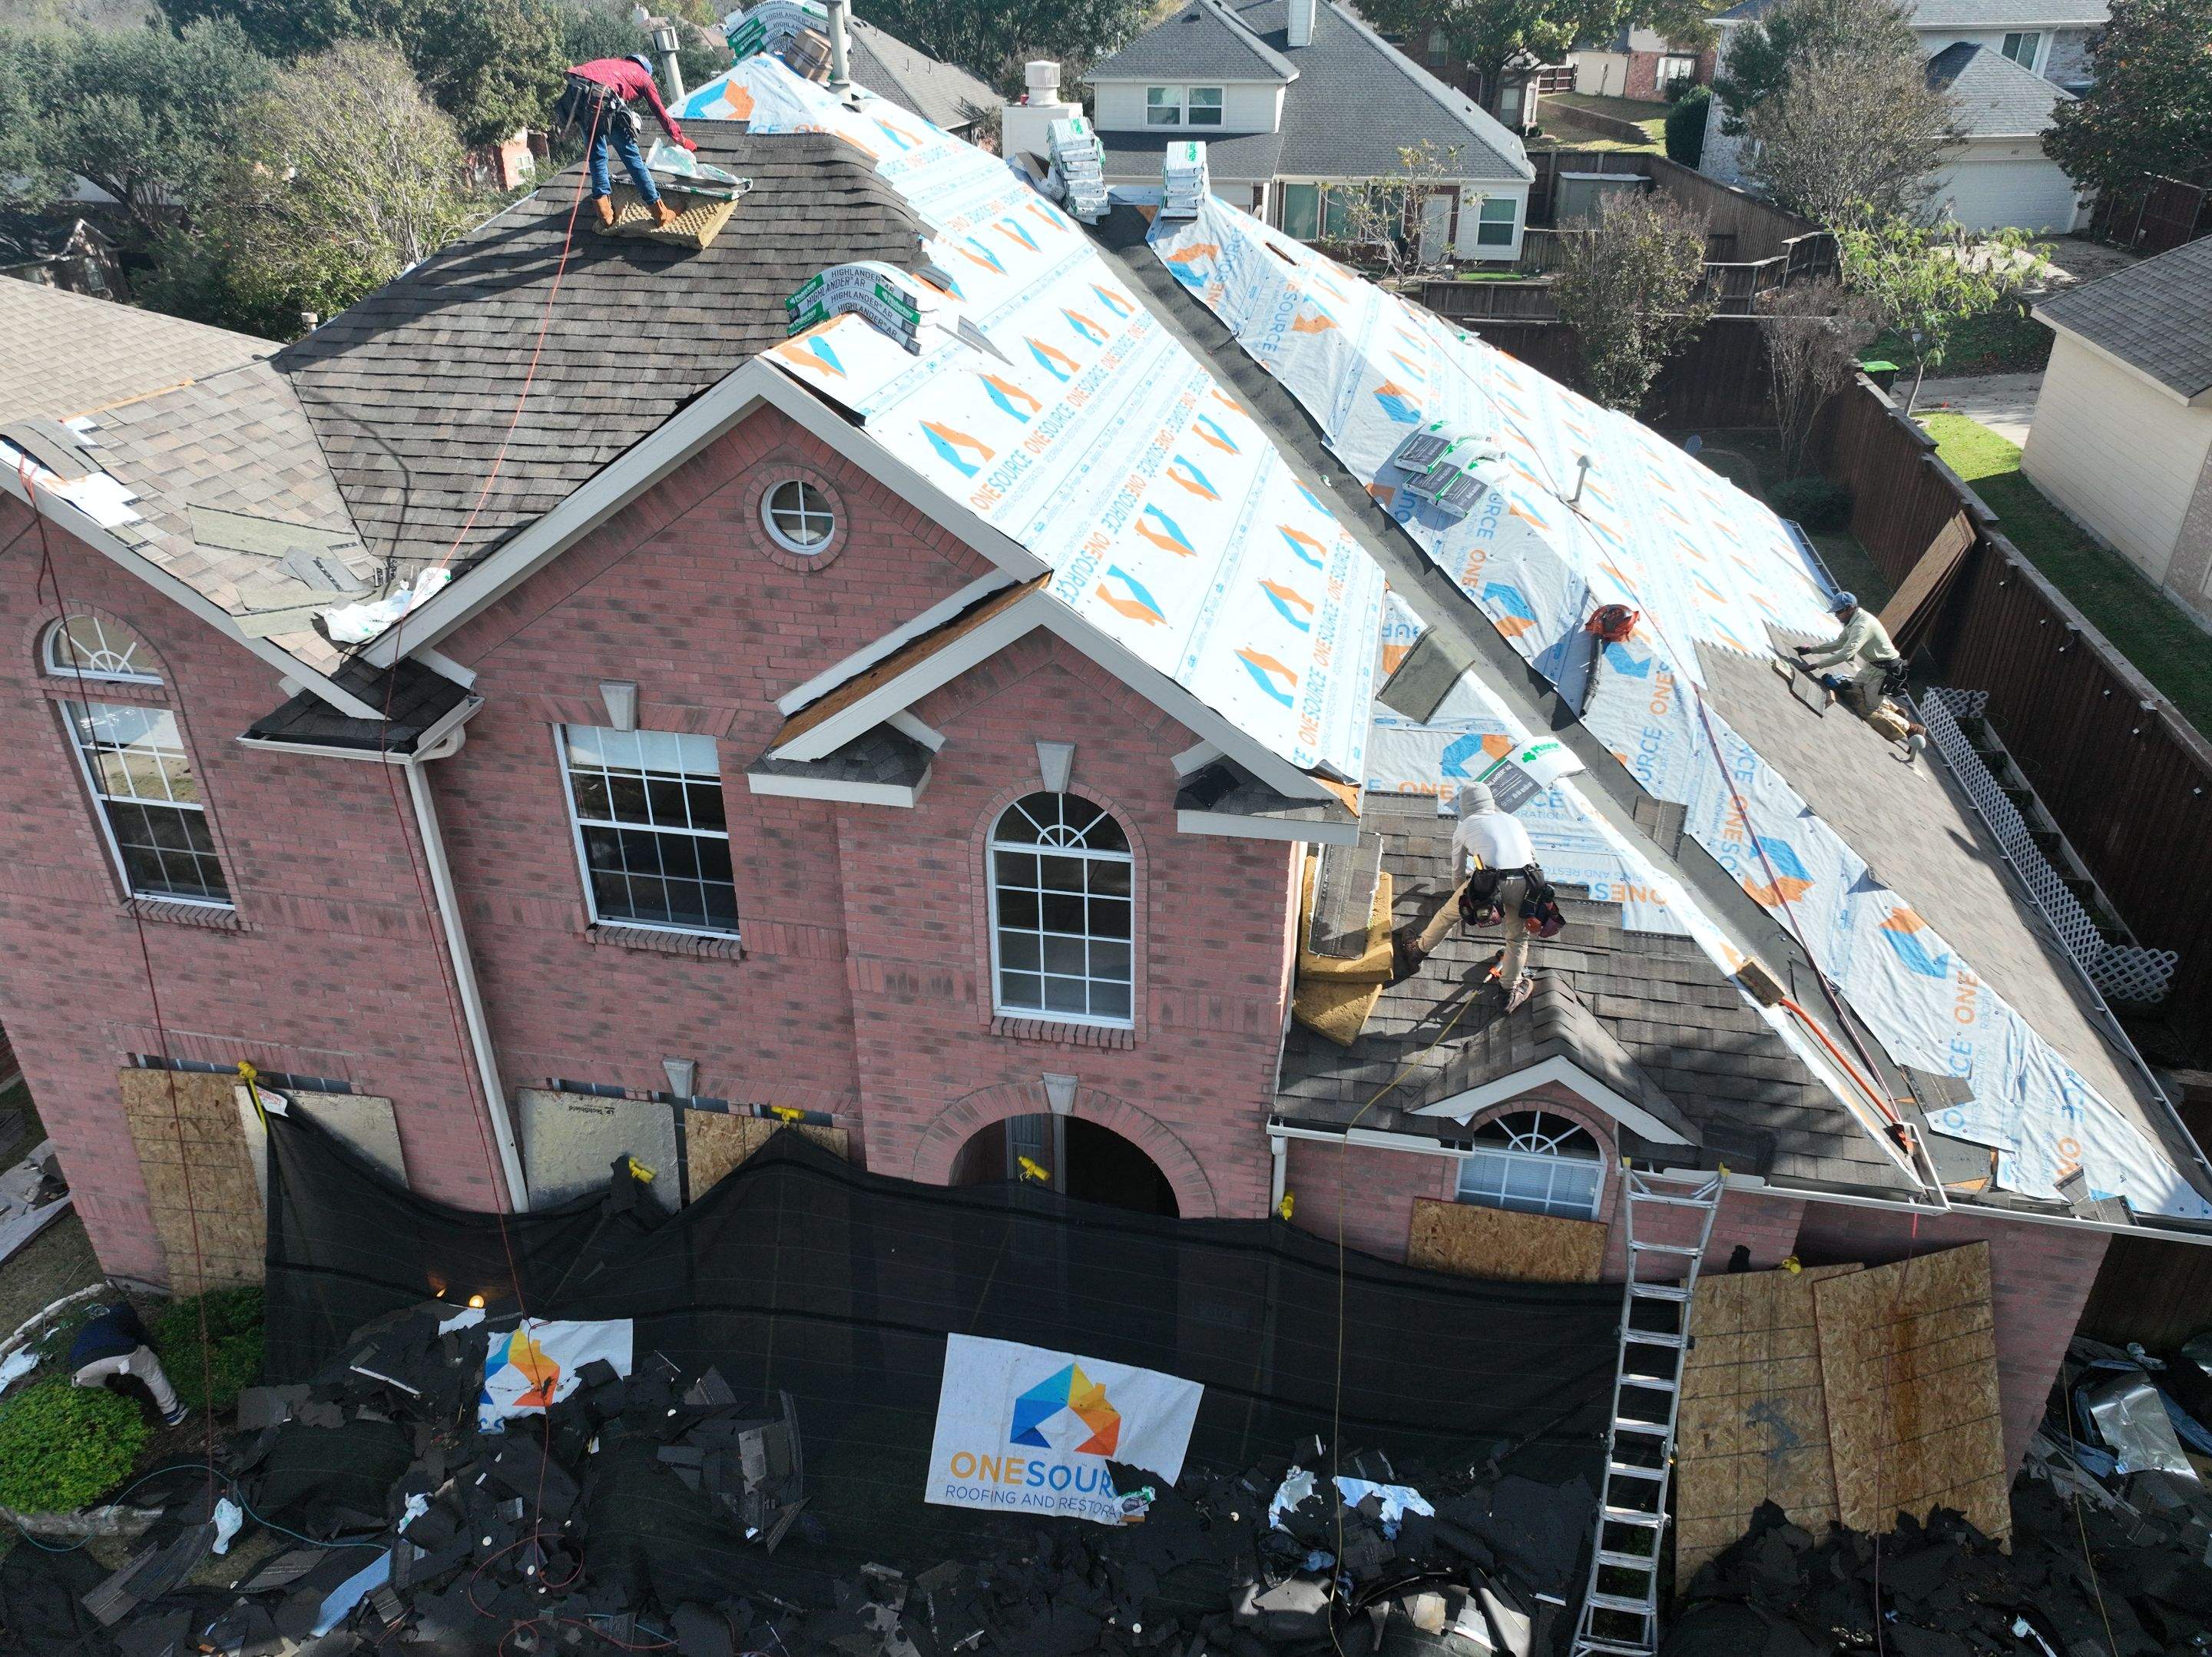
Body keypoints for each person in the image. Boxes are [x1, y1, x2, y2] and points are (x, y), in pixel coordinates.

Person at [1409, 782, 1543, 1011]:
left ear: (1465, 806)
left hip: (1491, 882)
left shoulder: (1465, 826)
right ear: (1490, 801)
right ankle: (1509, 990)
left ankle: (1419, 950)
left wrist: (1462, 896)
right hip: (1527, 880)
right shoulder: (1512, 820)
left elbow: (1458, 869)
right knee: (1517, 939)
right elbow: (1531, 855)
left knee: (1446, 916)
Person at [556, 54, 699, 230]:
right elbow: (660, 112)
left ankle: (605, 214)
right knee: (632, 158)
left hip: (578, 94)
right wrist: (681, 139)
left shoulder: (614, 63)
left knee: (596, 155)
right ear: (646, 69)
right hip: (602, 96)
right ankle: (659, 212)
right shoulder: (643, 76)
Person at [69, 1301, 187, 1427]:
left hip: (81, 1367)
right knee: (152, 1372)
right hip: (120, 1353)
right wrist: (155, 1351)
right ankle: (172, 1411)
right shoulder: (124, 1313)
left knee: (104, 1388)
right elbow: (141, 1336)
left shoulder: (91, 1325)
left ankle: (127, 1415)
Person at [1794, 592, 1901, 717]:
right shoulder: (1852, 620)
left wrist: (1815, 666)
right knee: (1854, 691)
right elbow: (1839, 643)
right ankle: (1891, 707)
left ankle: (1907, 726)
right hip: (1873, 665)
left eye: (1838, 612)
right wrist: (1811, 650)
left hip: (1885, 670)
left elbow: (1846, 654)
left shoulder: (1861, 626)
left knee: (1868, 710)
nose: (1835, 615)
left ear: (1850, 608)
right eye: (1835, 612)